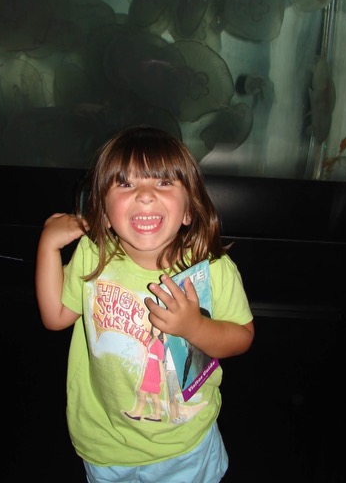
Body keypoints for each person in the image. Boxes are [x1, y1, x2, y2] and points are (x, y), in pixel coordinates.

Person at [35, 125, 254, 482]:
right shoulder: (95, 254)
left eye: (164, 182)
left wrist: (194, 327)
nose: (146, 195)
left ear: (189, 210)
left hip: (185, 444)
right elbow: (56, 317)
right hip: (105, 441)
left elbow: (242, 337)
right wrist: (48, 246)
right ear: (103, 211)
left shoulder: (211, 268)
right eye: (125, 183)